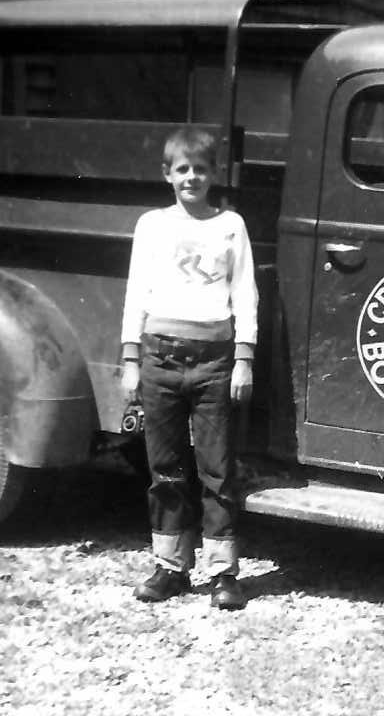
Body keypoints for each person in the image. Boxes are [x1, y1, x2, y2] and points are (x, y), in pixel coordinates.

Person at [119, 126, 258, 610]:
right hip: (159, 356)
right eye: (183, 169)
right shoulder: (152, 225)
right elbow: (137, 291)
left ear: (214, 174)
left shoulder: (231, 226)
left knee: (217, 469)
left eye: (201, 169)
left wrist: (243, 359)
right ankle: (170, 568)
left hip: (215, 362)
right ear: (167, 175)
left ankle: (223, 573)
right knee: (165, 469)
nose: (192, 177)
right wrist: (131, 359)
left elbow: (245, 294)